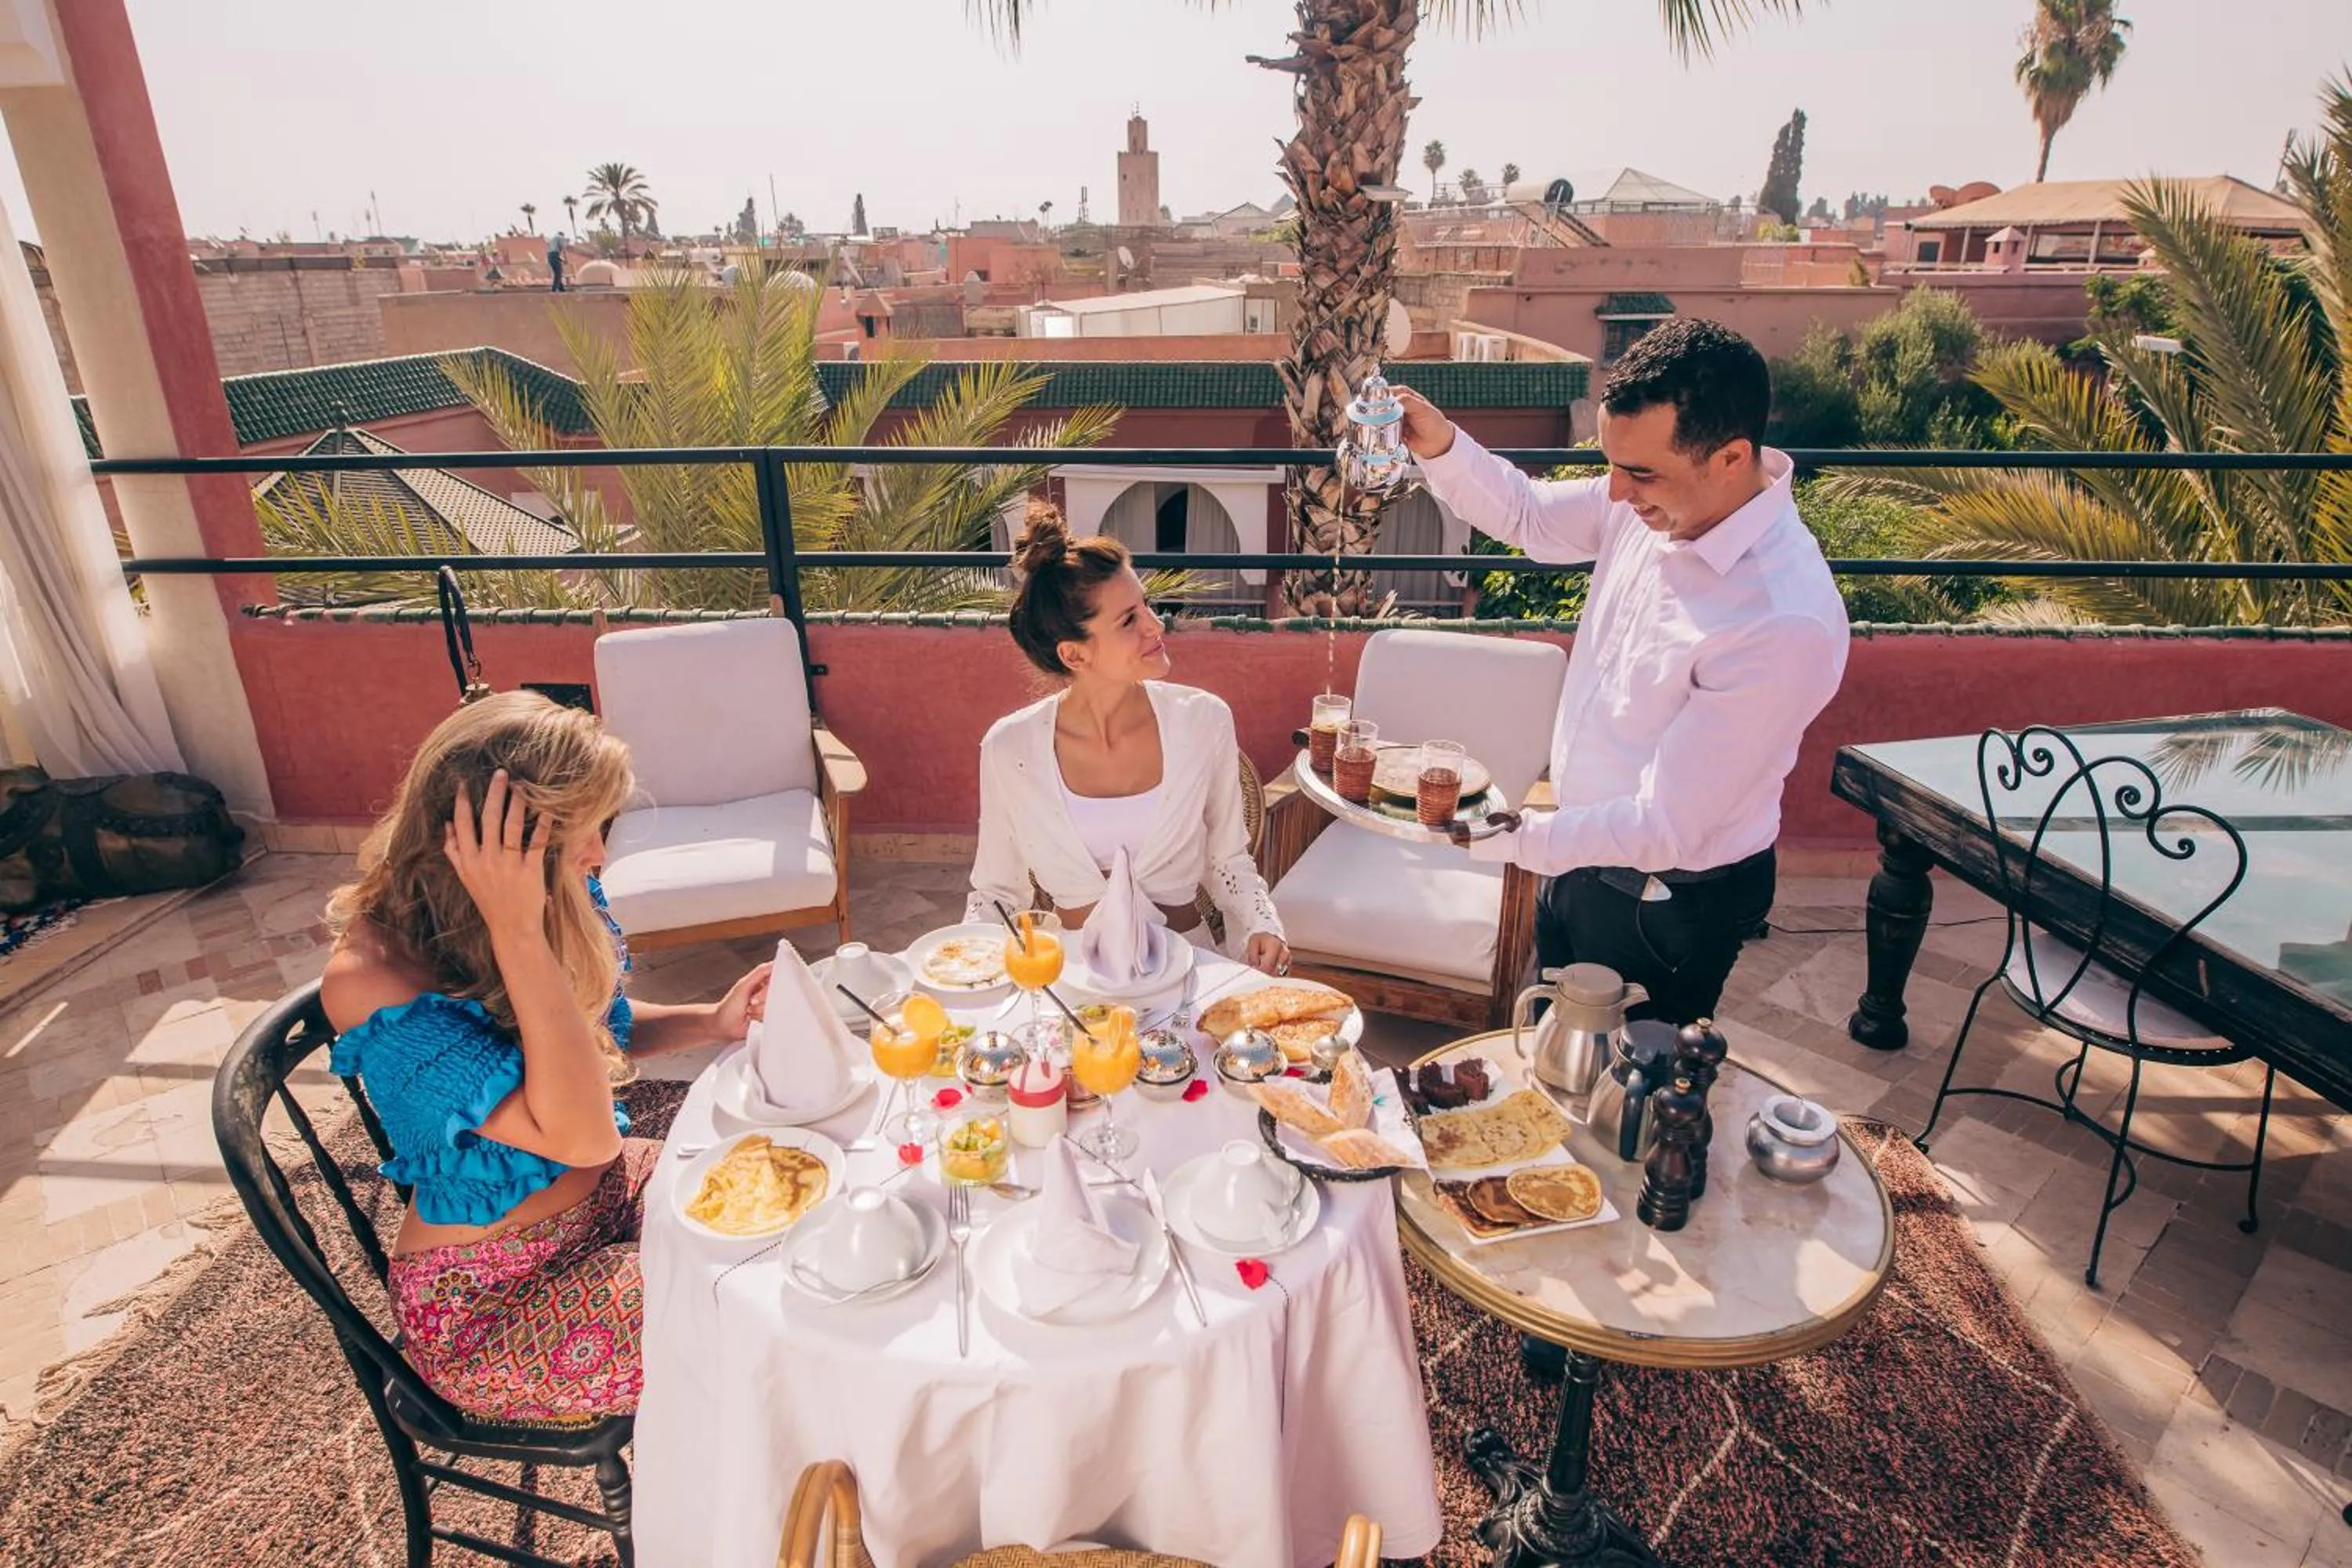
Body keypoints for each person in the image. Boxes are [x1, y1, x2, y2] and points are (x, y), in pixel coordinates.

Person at [321, 692, 771, 1421]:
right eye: (583, 834)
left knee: (787, 1199)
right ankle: (765, 1517)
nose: (599, 854)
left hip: (608, 1198)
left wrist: (712, 1020)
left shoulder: (548, 893)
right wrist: (518, 932)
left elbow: (596, 1033)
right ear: (508, 847)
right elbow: (582, 1133)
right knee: (763, 1320)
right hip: (501, 1299)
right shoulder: (372, 980)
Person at [1400, 317, 1849, 1028]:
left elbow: (1667, 824)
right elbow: (1529, 515)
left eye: (1639, 472)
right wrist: (1443, 445)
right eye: (1612, 464)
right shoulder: (1653, 505)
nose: (1614, 493)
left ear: (1731, 458)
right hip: (1574, 855)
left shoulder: (1780, 621)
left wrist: (1505, 837)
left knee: (1633, 1100)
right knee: (1558, 1053)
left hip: (1667, 905)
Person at [967, 502, 1290, 974]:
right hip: (1071, 983)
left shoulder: (1203, 720)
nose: (1155, 626)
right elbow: (996, 892)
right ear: (1075, 655)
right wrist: (967, 972)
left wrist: (1264, 924)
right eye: (1127, 620)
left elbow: (1227, 860)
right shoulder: (1010, 748)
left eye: (1146, 607)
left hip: (1190, 971)